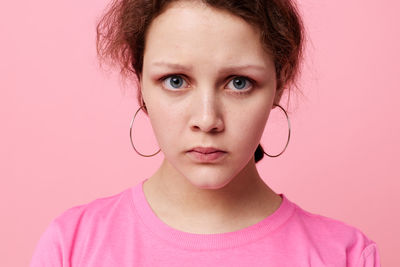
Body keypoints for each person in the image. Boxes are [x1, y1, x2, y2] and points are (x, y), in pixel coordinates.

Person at [30, 0, 381, 266]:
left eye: (239, 83)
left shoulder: (346, 255)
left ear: (280, 82)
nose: (207, 119)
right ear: (140, 81)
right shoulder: (72, 246)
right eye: (176, 81)